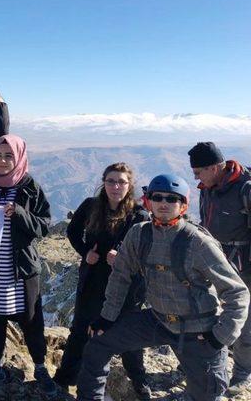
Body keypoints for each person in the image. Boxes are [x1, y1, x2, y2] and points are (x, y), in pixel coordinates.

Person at [77, 174, 250, 401]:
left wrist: (220, 338)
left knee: (207, 394)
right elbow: (120, 276)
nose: (164, 203)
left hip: (196, 328)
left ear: (183, 205)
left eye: (172, 198)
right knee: (98, 344)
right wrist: (107, 318)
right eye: (157, 197)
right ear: (148, 202)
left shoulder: (198, 242)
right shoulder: (139, 234)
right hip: (158, 320)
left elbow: (237, 292)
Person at [53, 163, 151, 398]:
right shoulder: (90, 206)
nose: (116, 187)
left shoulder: (139, 215)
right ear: (103, 183)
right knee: (80, 330)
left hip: (127, 285)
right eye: (111, 181)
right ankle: (65, 378)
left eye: (121, 182)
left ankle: (138, 380)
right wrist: (86, 251)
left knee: (129, 334)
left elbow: (146, 250)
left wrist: (124, 257)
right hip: (94, 279)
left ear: (130, 185)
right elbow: (73, 231)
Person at [0, 134, 55, 396]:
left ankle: (40, 369)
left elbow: (43, 226)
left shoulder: (30, 187)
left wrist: (18, 212)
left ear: (18, 158)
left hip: (22, 269)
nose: (3, 161)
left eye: (9, 156)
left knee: (31, 321)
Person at [188, 141, 251, 393]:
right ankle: (215, 364)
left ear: (215, 167)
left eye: (198, 172)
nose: (195, 178)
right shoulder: (208, 187)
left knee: (244, 319)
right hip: (212, 260)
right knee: (211, 312)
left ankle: (243, 372)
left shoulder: (245, 189)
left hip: (244, 265)